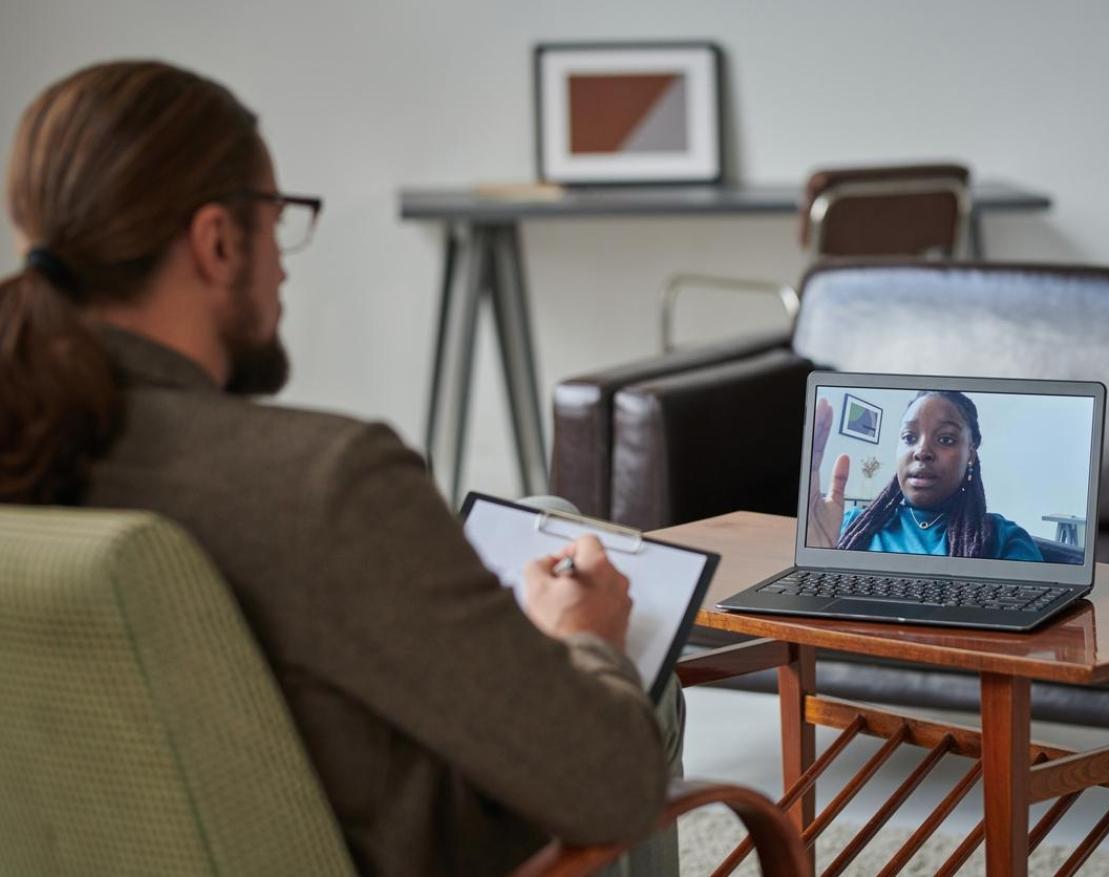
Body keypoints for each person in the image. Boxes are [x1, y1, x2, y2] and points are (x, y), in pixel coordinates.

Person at [0, 61, 677, 876]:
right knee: (629, 661)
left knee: (540, 506)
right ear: (217, 240)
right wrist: (581, 640)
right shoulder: (327, 481)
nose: (285, 266)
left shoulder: (33, 445)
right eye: (278, 220)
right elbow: (610, 785)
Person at [807, 390, 1043, 560]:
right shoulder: (849, 525)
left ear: (970, 453)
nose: (921, 451)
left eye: (945, 439)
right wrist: (816, 559)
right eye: (909, 438)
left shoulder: (1005, 542)